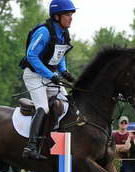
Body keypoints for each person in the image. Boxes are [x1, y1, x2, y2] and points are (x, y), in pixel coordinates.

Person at [20, 0, 77, 160]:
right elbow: (31, 56)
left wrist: (64, 72)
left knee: (69, 104)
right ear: (57, 16)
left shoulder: (64, 33)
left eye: (71, 14)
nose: (71, 18)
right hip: (34, 75)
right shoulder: (44, 32)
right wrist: (51, 74)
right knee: (43, 108)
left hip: (49, 75)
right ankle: (30, 147)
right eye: (67, 14)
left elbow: (59, 55)